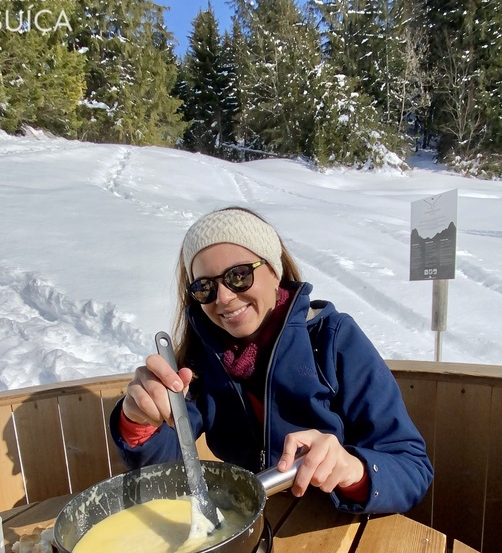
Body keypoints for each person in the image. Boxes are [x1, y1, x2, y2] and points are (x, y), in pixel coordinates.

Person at [110, 206, 433, 514]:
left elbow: (412, 470)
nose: (223, 297)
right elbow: (170, 464)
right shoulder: (203, 356)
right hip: (250, 521)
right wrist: (139, 422)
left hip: (342, 524)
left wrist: (352, 469)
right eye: (204, 287)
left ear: (274, 271)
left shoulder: (332, 338)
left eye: (238, 276)